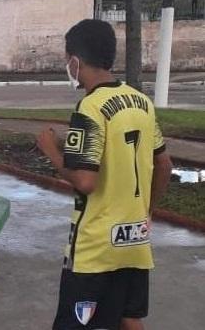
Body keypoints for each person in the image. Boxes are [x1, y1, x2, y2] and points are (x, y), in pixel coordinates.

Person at [36, 19, 173, 330]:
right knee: (129, 318)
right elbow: (164, 165)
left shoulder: (91, 107)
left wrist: (51, 151)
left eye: (66, 59)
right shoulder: (142, 103)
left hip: (96, 247)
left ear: (75, 61)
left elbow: (86, 180)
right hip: (135, 239)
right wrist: (147, 212)